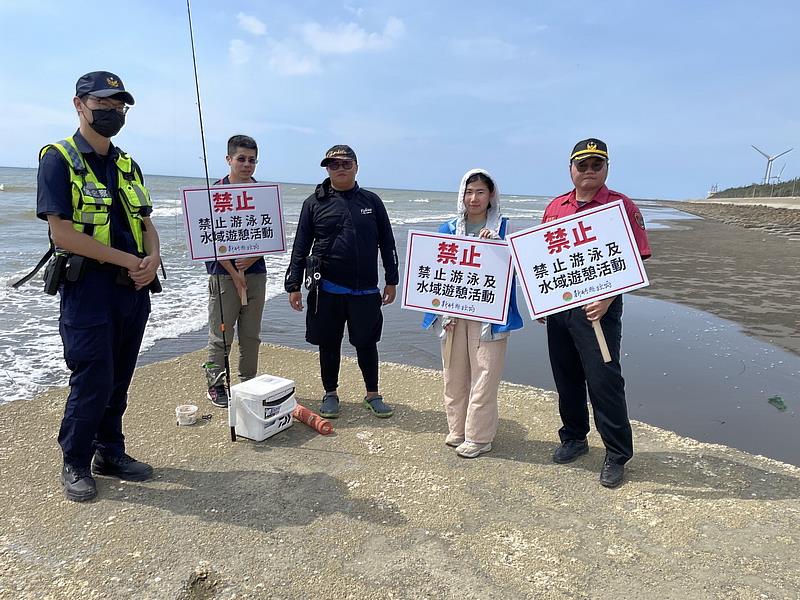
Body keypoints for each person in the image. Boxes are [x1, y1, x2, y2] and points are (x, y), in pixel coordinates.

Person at [36, 71, 161, 502]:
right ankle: (74, 460)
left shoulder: (128, 162)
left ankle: (111, 452)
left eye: (118, 106)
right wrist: (132, 260)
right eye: (103, 104)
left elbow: (146, 223)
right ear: (79, 104)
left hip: (133, 290)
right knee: (93, 376)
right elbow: (63, 235)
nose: (112, 112)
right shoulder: (59, 158)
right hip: (87, 290)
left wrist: (153, 260)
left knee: (120, 375)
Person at [542, 138, 651, 488]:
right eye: (582, 165)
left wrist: (608, 298)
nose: (588, 171)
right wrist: (543, 302)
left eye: (596, 165)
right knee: (566, 376)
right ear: (571, 168)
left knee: (604, 381)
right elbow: (542, 259)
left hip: (599, 310)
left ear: (606, 168)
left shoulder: (621, 206)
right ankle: (573, 438)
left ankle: (617, 453)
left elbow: (634, 260)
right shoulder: (556, 207)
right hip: (561, 308)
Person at [285, 145, 398, 419]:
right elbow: (301, 245)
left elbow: (387, 243)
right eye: (333, 165)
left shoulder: (372, 202)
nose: (340, 169)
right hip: (327, 289)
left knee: (366, 343)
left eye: (346, 164)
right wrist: (293, 284)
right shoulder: (314, 203)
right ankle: (330, 393)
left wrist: (391, 280)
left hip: (365, 289)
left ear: (356, 166)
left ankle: (373, 394)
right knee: (329, 343)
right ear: (327, 169)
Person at [422, 169, 523, 458]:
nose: (474, 198)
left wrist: (497, 247)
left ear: (492, 195)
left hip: (489, 316)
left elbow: (516, 269)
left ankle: (479, 437)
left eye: (480, 191)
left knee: (485, 374)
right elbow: (434, 272)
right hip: (454, 315)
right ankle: (457, 430)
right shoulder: (448, 228)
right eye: (469, 191)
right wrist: (439, 310)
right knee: (453, 374)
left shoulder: (505, 229)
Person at [202, 135, 266, 408]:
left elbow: (270, 234)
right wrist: (234, 270)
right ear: (229, 159)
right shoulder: (214, 192)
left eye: (252, 160)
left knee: (251, 334)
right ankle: (216, 384)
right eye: (241, 159)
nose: (247, 164)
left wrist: (249, 262)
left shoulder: (262, 192)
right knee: (222, 332)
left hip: (256, 273)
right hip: (223, 274)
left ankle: (248, 381)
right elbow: (206, 237)